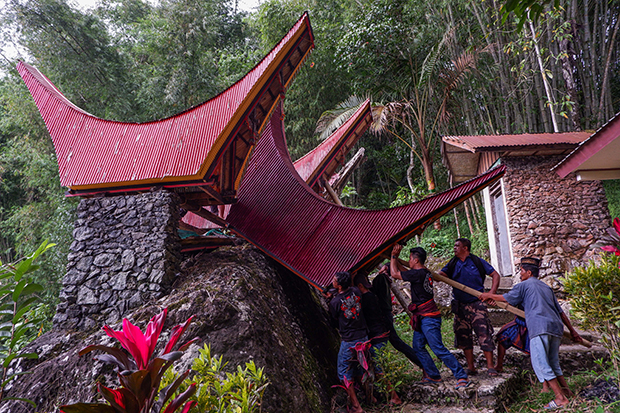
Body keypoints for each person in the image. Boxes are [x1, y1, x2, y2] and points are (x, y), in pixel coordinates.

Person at [480, 257, 582, 410]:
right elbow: (561, 313)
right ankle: (568, 392)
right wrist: (573, 332)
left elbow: (505, 297)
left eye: (521, 271)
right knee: (553, 362)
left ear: (528, 272)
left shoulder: (523, 285)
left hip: (539, 327)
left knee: (541, 363)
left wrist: (488, 295)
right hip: (556, 327)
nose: (520, 274)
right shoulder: (546, 287)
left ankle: (560, 398)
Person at [390, 245, 471, 390]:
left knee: (438, 348)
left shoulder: (419, 273)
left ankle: (461, 376)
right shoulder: (424, 272)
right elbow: (406, 273)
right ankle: (433, 375)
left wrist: (393, 256)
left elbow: (395, 274)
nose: (408, 261)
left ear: (415, 260)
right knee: (418, 346)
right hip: (423, 317)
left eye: (409, 259)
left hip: (429, 318)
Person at [437, 238, 500, 376]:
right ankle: (471, 367)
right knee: (463, 336)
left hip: (477, 304)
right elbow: (441, 276)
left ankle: (490, 366)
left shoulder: (476, 262)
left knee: (484, 334)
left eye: (457, 246)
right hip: (460, 305)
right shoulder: (453, 263)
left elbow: (495, 275)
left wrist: (491, 294)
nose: (454, 248)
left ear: (465, 248)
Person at [370, 264, 428, 377]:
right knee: (397, 342)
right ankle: (423, 364)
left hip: (383, 316)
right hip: (386, 314)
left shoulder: (380, 279)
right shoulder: (384, 279)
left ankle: (423, 365)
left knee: (397, 342)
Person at [354, 273, 402, 405]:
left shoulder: (366, 299)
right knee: (378, 368)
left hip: (377, 337)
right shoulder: (372, 296)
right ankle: (390, 395)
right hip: (380, 335)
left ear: (359, 286)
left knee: (379, 370)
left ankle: (395, 397)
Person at [329, 271, 367, 413]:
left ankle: (356, 406)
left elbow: (333, 320)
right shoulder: (356, 291)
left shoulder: (335, 302)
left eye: (334, 280)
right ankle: (371, 397)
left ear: (338, 285)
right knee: (359, 367)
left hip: (349, 340)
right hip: (363, 336)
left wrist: (330, 300)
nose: (332, 281)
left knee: (344, 373)